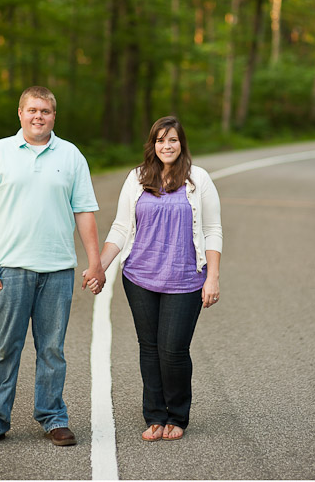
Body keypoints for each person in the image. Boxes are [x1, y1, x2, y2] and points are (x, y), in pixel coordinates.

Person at [0, 86, 105, 449]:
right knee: (6, 348)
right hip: (9, 269)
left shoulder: (71, 156)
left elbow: (85, 211)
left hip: (58, 270)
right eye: (32, 110)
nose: (38, 116)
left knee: (52, 350)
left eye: (45, 111)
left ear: (54, 116)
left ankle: (53, 417)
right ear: (20, 113)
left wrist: (96, 263)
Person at [84, 115, 222, 442]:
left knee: (173, 350)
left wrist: (212, 276)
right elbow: (120, 228)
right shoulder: (137, 178)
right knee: (149, 347)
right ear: (153, 144)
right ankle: (155, 416)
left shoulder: (198, 179)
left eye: (172, 140)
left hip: (186, 279)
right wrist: (99, 265)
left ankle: (177, 415)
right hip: (140, 277)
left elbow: (212, 229)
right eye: (160, 140)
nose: (167, 146)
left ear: (181, 143)